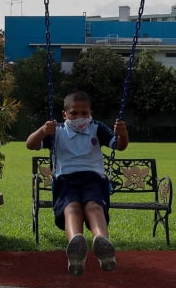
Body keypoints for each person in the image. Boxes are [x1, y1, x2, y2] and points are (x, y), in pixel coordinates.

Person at [25, 91, 129, 276]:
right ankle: (76, 245)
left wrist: (123, 134)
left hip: (94, 179)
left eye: (85, 113)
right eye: (74, 113)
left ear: (90, 113)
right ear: (64, 114)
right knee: (72, 208)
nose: (80, 117)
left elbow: (119, 146)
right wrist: (43, 130)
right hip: (66, 180)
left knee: (94, 207)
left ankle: (102, 242)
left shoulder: (96, 128)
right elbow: (30, 144)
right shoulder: (57, 131)